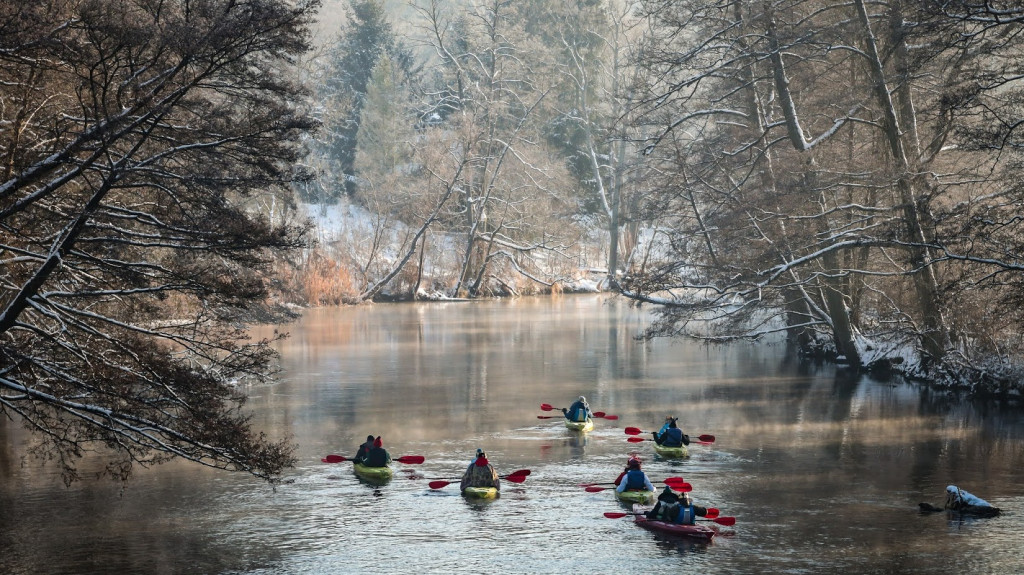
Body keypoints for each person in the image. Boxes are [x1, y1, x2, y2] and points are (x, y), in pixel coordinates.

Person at [919, 485, 1000, 517]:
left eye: (948, 493)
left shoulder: (960, 498)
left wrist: (932, 509)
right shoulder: (961, 497)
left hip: (983, 510)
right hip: (984, 510)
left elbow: (950, 511)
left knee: (964, 511)